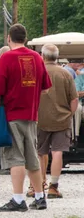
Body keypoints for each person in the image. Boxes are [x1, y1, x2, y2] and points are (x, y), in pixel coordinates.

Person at [0, 24, 53, 211]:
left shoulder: (7, 57)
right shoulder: (37, 57)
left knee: (15, 157)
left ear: (9, 38)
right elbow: (46, 87)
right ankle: (40, 196)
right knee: (32, 157)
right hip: (32, 114)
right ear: (25, 39)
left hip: (12, 114)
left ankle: (18, 199)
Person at [37, 44, 79, 199]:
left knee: (40, 153)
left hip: (39, 118)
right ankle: (53, 187)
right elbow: (74, 99)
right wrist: (69, 114)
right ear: (57, 56)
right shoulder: (65, 74)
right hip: (61, 119)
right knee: (57, 152)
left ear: (43, 56)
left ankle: (38, 185)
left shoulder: (37, 72)